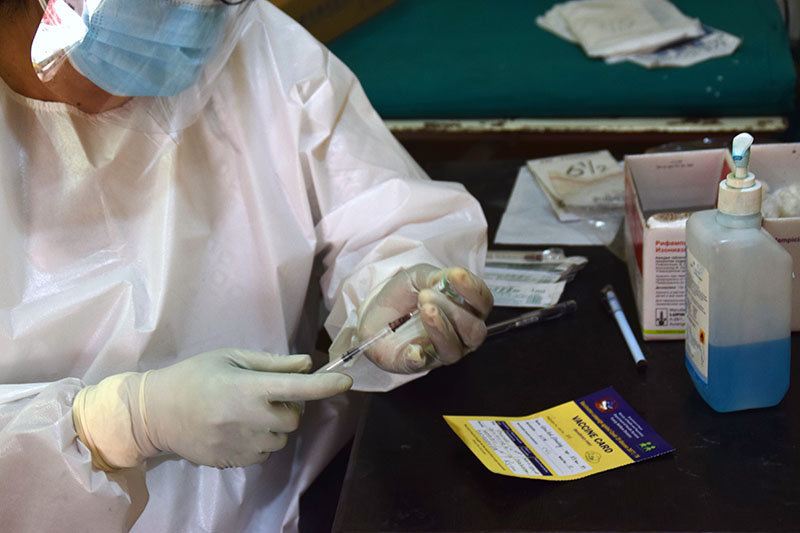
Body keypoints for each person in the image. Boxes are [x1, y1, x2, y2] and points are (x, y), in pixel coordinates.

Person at [0, 0, 493, 531]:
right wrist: (115, 425)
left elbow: (380, 202)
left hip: (299, 498)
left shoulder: (242, 39)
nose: (194, 14)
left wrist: (390, 286)